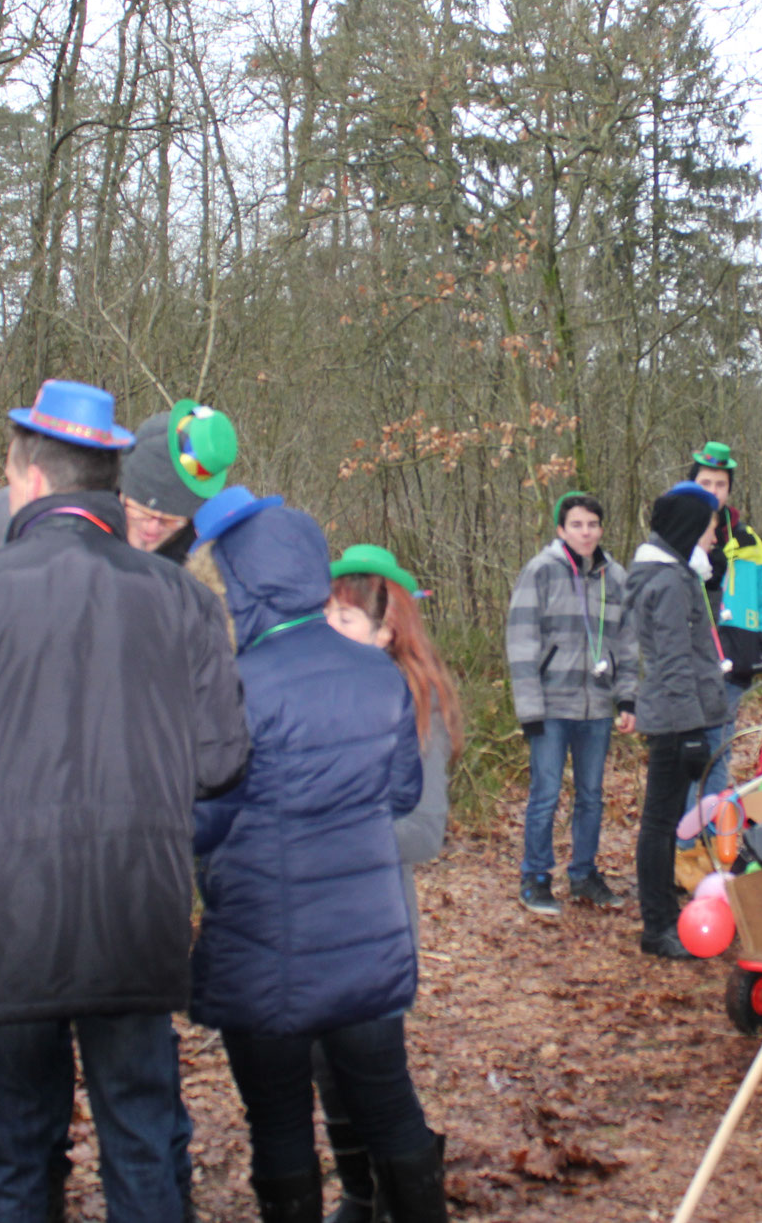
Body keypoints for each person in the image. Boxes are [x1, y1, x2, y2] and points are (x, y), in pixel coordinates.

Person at [0, 380, 250, 1223]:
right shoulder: (185, 599)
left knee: (10, 1160)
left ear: (32, 480)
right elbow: (224, 761)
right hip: (133, 918)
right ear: (107, 483)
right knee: (143, 1143)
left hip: (3, 925)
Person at [185, 489, 447, 1223]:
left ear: (242, 581)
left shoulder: (233, 684)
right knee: (390, 1105)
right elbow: (398, 793)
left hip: (261, 947)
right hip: (364, 946)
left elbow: (201, 822)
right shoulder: (377, 674)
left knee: (278, 1128)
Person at [319, 542, 459, 1223]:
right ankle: (359, 1189)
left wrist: (328, 825)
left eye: (343, 621)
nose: (327, 632)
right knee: (325, 1066)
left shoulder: (417, 704)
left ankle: (407, 1192)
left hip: (375, 922)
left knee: (372, 1071)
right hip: (312, 917)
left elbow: (424, 830)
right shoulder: (312, 693)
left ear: (386, 630)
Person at [0, 398, 238, 625]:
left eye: (170, 521)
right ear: (120, 490)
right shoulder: (22, 513)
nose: (152, 529)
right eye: (140, 511)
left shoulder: (201, 568)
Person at [505, 491, 638, 915]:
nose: (586, 532)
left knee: (592, 794)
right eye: (577, 525)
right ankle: (536, 877)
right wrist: (529, 709)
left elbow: (628, 642)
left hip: (596, 705)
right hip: (550, 705)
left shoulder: (615, 576)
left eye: (593, 525)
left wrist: (627, 697)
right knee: (545, 793)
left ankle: (583, 874)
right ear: (561, 529)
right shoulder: (541, 571)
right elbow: (522, 641)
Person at [630, 482, 730, 960]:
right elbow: (672, 661)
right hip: (674, 719)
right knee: (659, 823)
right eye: (710, 527)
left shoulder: (678, 574)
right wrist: (691, 730)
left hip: (680, 712)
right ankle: (659, 925)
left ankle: (662, 916)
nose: (715, 537)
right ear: (690, 528)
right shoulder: (668, 582)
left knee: (663, 821)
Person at [687, 442, 762, 798]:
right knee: (690, 755)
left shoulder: (747, 538)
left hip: (734, 658)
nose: (713, 492)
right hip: (691, 660)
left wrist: (761, 646)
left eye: (720, 485)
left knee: (720, 752)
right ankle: (685, 843)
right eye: (706, 483)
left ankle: (709, 837)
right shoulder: (678, 534)